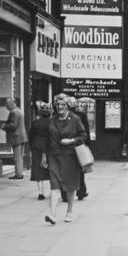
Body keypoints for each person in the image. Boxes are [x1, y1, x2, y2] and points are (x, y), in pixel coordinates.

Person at [44, 93, 87, 225]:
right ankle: (52, 214)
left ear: (68, 106)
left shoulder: (75, 119)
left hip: (70, 157)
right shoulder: (52, 120)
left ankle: (69, 212)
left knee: (70, 186)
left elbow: (84, 136)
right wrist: (44, 156)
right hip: (54, 156)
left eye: (62, 105)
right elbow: (47, 139)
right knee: (54, 184)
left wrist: (71, 141)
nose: (60, 107)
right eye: (57, 105)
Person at [68, 97, 91, 200]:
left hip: (66, 146)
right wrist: (87, 145)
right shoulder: (81, 115)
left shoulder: (62, 115)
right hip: (79, 145)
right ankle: (81, 191)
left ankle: (65, 194)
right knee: (80, 170)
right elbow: (86, 131)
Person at [28, 102, 51, 199]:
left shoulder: (35, 123)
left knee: (38, 170)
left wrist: (31, 147)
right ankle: (52, 192)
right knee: (51, 170)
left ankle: (40, 193)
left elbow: (31, 136)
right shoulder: (52, 122)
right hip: (50, 147)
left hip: (37, 147)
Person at [1, 97, 27, 179]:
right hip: (22, 136)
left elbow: (13, 125)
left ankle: (18, 174)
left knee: (17, 157)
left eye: (7, 104)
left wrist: (4, 126)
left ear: (11, 104)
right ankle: (20, 172)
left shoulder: (13, 112)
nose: (6, 106)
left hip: (16, 137)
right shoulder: (19, 111)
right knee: (20, 156)